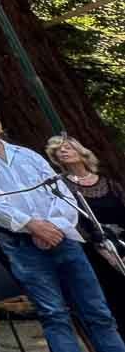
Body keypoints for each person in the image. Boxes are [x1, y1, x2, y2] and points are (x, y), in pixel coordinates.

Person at [0, 102, 125, 352]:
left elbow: (62, 193)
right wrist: (33, 226)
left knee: (97, 310)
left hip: (63, 237)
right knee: (54, 313)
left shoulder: (28, 155)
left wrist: (52, 227)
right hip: (20, 244)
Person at [47, 135, 125, 327]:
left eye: (67, 147)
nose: (62, 151)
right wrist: (103, 250)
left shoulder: (110, 183)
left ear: (81, 152)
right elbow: (73, 223)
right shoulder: (62, 186)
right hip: (93, 251)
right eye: (58, 150)